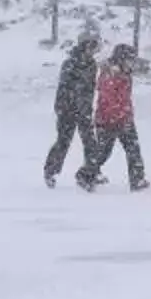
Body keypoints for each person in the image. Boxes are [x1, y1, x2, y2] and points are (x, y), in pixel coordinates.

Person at [80, 45, 148, 191]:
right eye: (130, 59)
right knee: (104, 151)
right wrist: (118, 115)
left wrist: (125, 114)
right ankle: (85, 174)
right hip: (108, 119)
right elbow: (108, 97)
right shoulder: (110, 74)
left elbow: (123, 97)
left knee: (133, 149)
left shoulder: (124, 72)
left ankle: (137, 179)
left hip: (123, 117)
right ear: (121, 59)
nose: (132, 63)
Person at [43, 32, 100, 187]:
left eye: (95, 48)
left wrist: (87, 106)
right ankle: (50, 171)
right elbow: (65, 87)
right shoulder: (70, 63)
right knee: (63, 141)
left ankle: (89, 173)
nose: (93, 51)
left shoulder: (92, 65)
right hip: (67, 109)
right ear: (83, 47)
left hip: (84, 109)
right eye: (91, 47)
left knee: (90, 142)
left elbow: (90, 88)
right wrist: (65, 106)